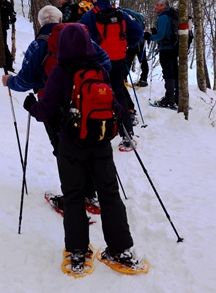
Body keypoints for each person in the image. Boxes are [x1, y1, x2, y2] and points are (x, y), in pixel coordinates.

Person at [22, 24, 146, 275]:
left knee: (74, 196)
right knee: (110, 195)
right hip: (101, 144)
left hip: (71, 146)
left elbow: (45, 111)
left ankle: (78, 252)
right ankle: (120, 251)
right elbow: (117, 110)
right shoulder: (99, 69)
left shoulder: (60, 72)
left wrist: (30, 105)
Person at [1, 5, 112, 213]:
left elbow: (26, 80)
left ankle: (76, 198)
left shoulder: (38, 45)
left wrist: (9, 81)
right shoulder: (81, 37)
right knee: (87, 144)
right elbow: (105, 62)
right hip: (86, 103)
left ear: (40, 23)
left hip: (52, 106)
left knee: (64, 151)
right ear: (60, 19)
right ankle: (91, 194)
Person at [78, 0, 143, 149]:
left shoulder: (91, 15)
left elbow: (78, 33)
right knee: (119, 93)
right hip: (119, 58)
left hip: (98, 61)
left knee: (97, 93)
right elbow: (138, 32)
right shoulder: (121, 14)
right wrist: (125, 45)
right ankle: (127, 133)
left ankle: (98, 130)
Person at [146, 0, 178, 107]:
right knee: (173, 72)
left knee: (168, 73)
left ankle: (169, 99)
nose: (155, 7)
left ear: (164, 6)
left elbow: (161, 36)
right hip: (173, 48)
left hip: (166, 49)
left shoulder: (163, 17)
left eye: (157, 5)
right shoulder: (170, 15)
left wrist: (149, 36)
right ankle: (176, 97)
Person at [0, 0, 16, 71]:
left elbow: (12, 15)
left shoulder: (8, 5)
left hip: (3, 27)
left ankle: (9, 65)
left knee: (4, 45)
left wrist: (12, 18)